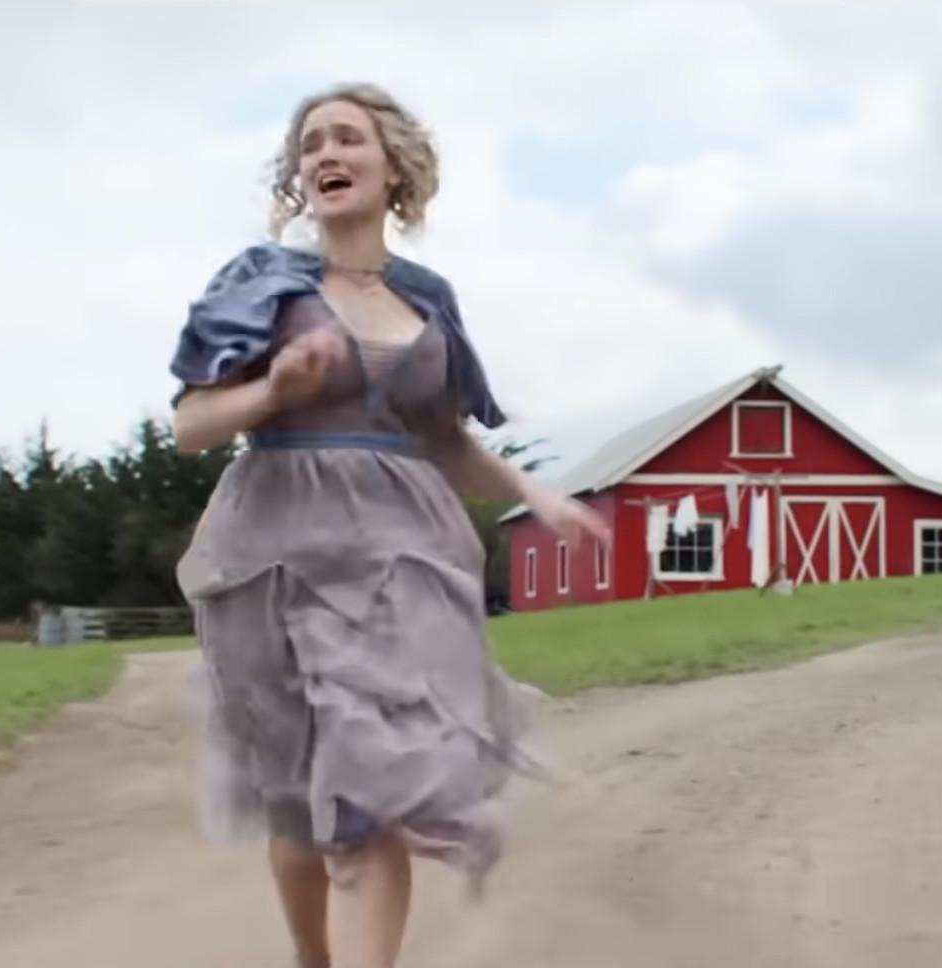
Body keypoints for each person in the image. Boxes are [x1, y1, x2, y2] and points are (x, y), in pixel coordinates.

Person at [166, 82, 608, 968]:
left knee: (374, 794)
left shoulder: (429, 298)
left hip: (403, 559)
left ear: (393, 165)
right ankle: (313, 955)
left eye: (347, 138)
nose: (326, 154)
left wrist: (538, 494)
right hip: (276, 560)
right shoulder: (262, 282)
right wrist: (273, 389)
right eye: (311, 145)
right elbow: (191, 426)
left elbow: (446, 442)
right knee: (299, 807)